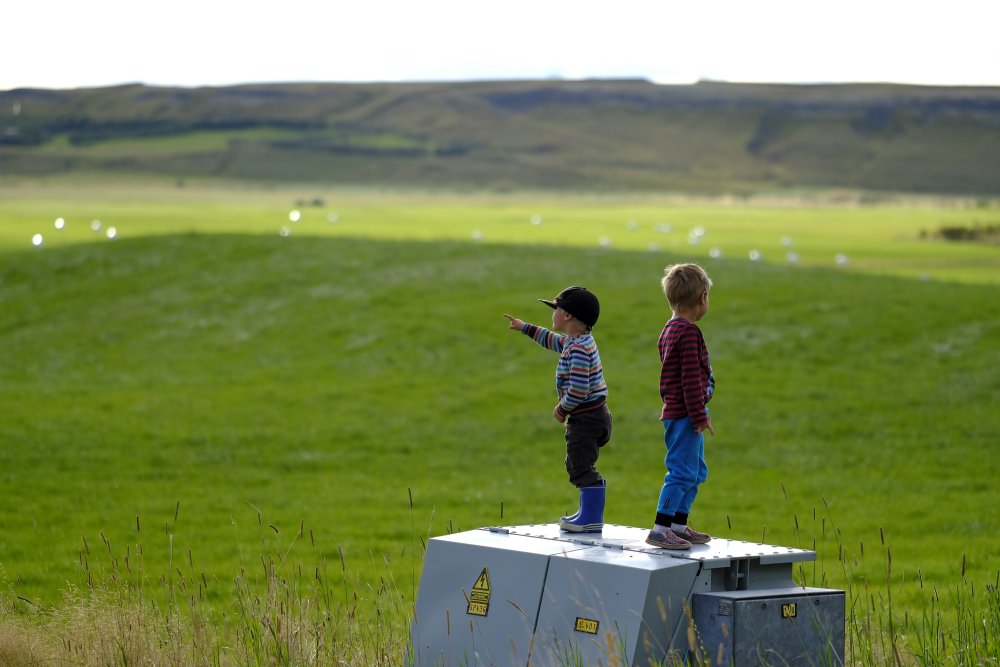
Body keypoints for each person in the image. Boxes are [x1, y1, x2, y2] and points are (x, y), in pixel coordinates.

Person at [503, 286, 612, 533]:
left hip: (587, 417)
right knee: (578, 463)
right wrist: (525, 327)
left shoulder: (579, 350)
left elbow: (580, 388)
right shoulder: (576, 341)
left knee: (580, 465)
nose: (552, 313)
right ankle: (587, 511)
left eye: (555, 309)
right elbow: (551, 340)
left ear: (567, 316)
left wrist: (562, 409)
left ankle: (592, 517)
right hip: (593, 415)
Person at [645, 264, 716, 550]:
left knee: (696, 471)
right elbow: (688, 378)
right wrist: (699, 415)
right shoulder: (687, 332)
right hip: (686, 414)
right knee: (681, 472)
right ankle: (661, 529)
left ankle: (678, 524)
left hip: (686, 412)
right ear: (702, 297)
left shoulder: (670, 328)